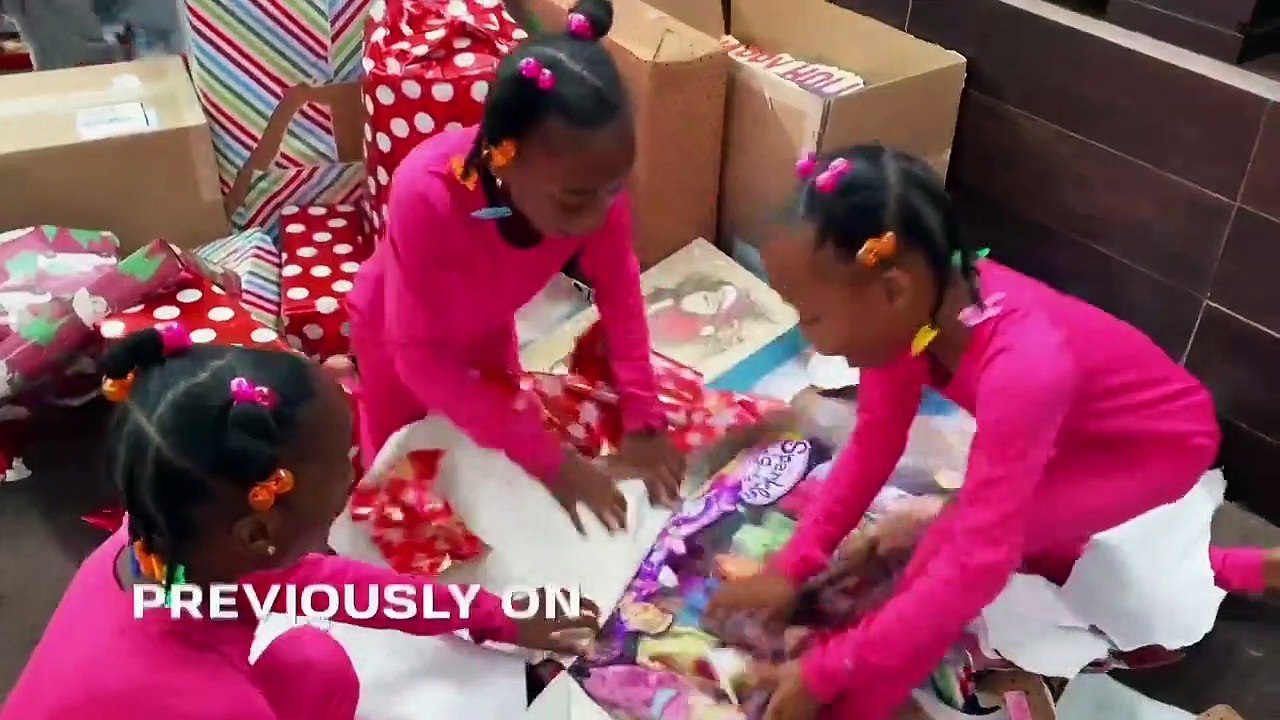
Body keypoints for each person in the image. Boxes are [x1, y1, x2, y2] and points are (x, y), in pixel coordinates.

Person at [706, 144, 1275, 720]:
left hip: (1154, 447)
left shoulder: (1022, 365)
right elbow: (874, 444)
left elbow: (970, 567)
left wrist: (831, 670)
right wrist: (793, 566)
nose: (812, 340)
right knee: (1004, 535)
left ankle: (860, 706)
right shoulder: (914, 317)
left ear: (893, 290)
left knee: (953, 548)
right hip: (1071, 423)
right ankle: (1245, 568)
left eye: (813, 316)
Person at [0, 325, 600, 720]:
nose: (357, 472)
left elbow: (321, 583)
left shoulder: (172, 540)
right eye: (344, 465)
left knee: (316, 665)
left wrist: (493, 614)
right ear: (259, 533)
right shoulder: (212, 698)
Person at [348, 0, 684, 535]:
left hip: (487, 327)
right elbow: (419, 359)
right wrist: (551, 461)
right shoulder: (427, 195)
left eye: (614, 189)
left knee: (496, 477)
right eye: (575, 202)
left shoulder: (590, 183)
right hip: (397, 344)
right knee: (407, 494)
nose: (599, 216)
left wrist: (643, 417)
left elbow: (619, 291)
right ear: (505, 156)